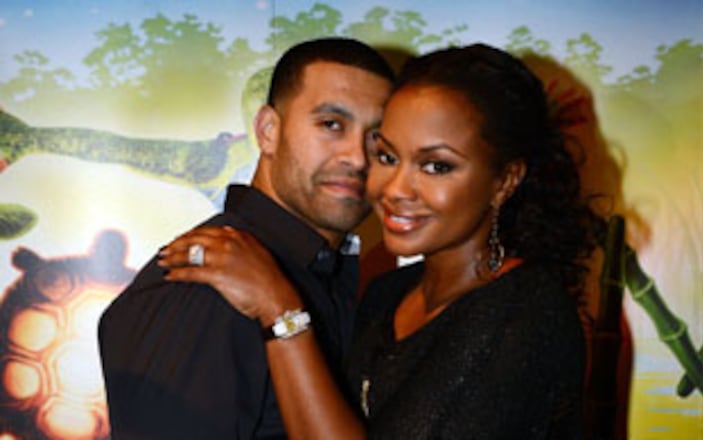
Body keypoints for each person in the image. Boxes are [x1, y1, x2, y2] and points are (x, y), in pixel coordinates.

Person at [159, 43, 595, 439]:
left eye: (436, 166)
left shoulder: (524, 313)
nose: (395, 188)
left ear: (504, 180)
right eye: (387, 156)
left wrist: (281, 311)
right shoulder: (386, 296)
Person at [98, 37, 394, 439]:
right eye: (331, 125)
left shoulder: (314, 275)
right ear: (267, 130)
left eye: (377, 138)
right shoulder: (204, 281)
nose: (357, 157)